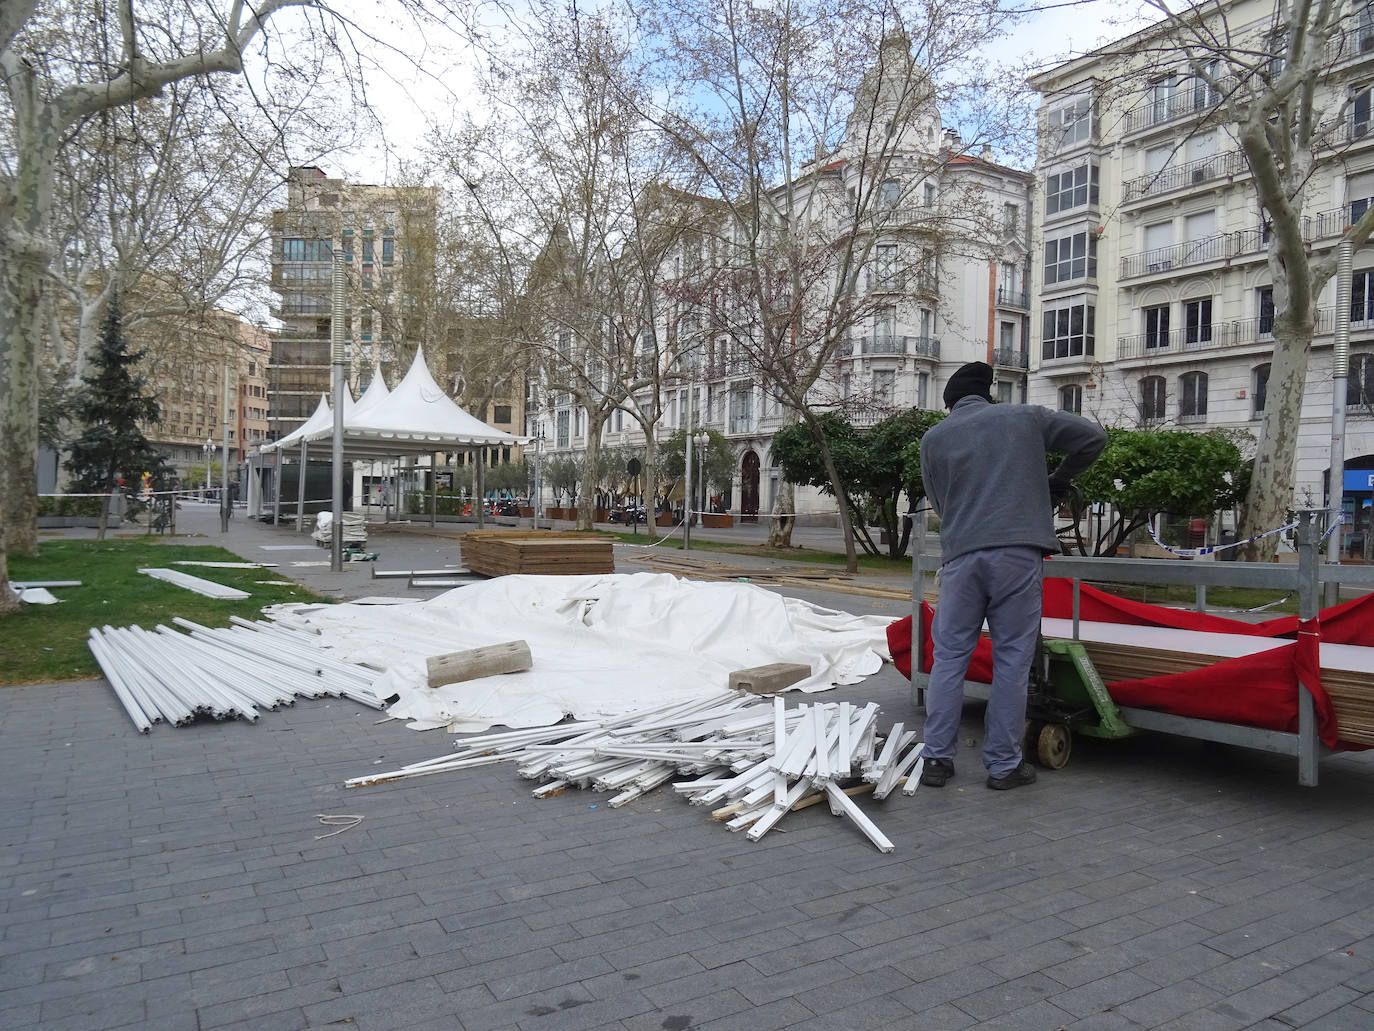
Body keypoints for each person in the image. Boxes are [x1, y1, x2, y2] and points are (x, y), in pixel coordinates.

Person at [918, 361, 1106, 791]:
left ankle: (936, 762)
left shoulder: (934, 438)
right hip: (1017, 555)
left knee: (949, 659)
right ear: (989, 395)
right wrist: (1055, 481)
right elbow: (1093, 439)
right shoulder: (1025, 417)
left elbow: (939, 499)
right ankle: (1003, 766)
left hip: (961, 557)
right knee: (1012, 659)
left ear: (949, 403)